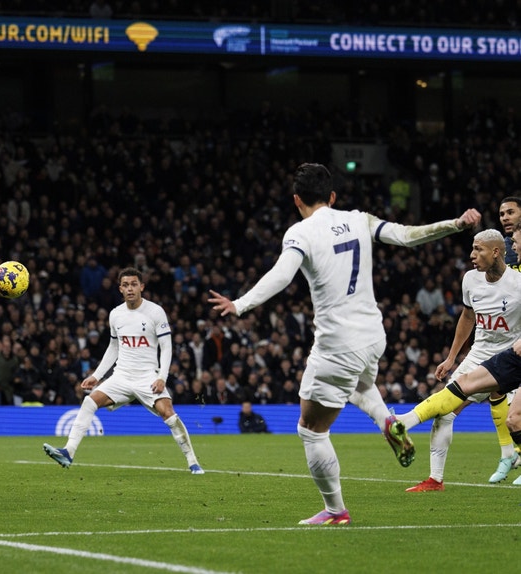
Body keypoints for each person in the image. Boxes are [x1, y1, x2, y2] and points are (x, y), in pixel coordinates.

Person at [208, 163, 480, 525]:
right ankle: (388, 421)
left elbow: (281, 275)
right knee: (360, 384)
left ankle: (336, 511)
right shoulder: (358, 219)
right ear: (332, 196)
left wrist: (240, 304)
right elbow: (407, 235)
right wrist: (455, 224)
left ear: (296, 200)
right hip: (373, 336)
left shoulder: (300, 233)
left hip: (337, 344)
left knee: (310, 428)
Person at [43, 267, 204, 474]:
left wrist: (162, 377)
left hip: (147, 376)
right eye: (126, 285)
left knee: (169, 415)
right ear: (120, 289)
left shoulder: (155, 312)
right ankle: (68, 452)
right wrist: (96, 376)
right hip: (121, 376)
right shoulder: (115, 315)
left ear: (142, 287)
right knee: (89, 401)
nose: (130, 289)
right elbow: (114, 347)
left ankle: (193, 462)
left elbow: (166, 347)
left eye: (134, 284)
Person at [399, 226, 521, 489]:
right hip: (480, 352)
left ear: (496, 252)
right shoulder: (470, 279)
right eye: (472, 248)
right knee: (446, 411)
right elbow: (468, 317)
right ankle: (435, 479)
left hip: (514, 356)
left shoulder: (517, 283)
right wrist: (452, 357)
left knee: (515, 419)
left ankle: (405, 421)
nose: (472, 254)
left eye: (478, 249)